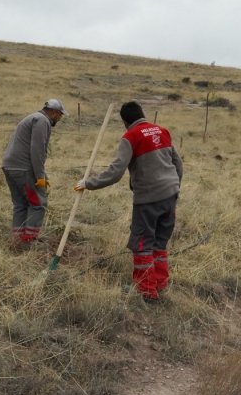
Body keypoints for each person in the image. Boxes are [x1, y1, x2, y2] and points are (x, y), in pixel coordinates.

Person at [74, 101, 183, 302]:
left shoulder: (130, 137)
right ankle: (160, 284)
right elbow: (178, 163)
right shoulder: (162, 131)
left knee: (142, 244)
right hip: (170, 195)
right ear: (142, 114)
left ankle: (146, 292)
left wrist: (88, 183)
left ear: (125, 121)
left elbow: (115, 172)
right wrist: (174, 187)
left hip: (148, 199)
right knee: (159, 242)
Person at [1, 99, 66, 246]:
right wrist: (40, 177)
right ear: (55, 113)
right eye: (60, 115)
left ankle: (16, 240)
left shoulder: (32, 117)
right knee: (38, 203)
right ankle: (28, 241)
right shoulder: (42, 121)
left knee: (20, 204)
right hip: (24, 169)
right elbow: (37, 150)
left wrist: (43, 174)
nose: (60, 119)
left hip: (10, 166)